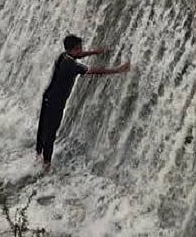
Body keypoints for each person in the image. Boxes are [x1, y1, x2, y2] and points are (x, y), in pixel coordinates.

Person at [34, 34, 129, 171]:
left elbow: (79, 55)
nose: (81, 50)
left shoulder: (63, 56)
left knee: (43, 128)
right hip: (55, 103)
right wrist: (117, 70)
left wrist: (95, 51)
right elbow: (94, 71)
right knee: (51, 133)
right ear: (72, 49)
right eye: (79, 48)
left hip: (48, 97)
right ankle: (46, 165)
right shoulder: (71, 65)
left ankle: (38, 156)